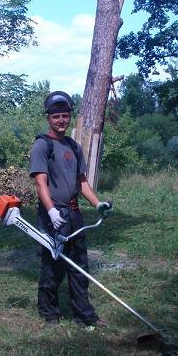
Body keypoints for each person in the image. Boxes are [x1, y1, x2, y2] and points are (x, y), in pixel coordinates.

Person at [29, 90, 112, 328]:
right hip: (53, 214)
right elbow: (40, 182)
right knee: (53, 265)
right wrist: (52, 211)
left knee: (79, 265)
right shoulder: (42, 146)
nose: (61, 121)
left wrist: (98, 204)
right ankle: (50, 314)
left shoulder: (74, 148)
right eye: (56, 117)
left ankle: (84, 315)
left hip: (74, 213)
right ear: (49, 118)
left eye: (65, 116)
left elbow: (82, 183)